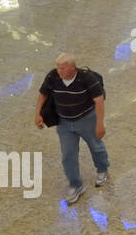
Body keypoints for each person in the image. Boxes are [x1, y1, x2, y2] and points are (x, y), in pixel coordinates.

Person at [35, 53, 108, 205]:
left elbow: (99, 101)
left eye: (62, 68)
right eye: (57, 67)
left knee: (96, 146)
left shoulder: (87, 79)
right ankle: (75, 184)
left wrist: (100, 124)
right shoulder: (53, 77)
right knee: (68, 154)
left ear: (72, 68)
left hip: (86, 119)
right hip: (64, 123)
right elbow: (42, 94)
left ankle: (102, 168)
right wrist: (38, 114)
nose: (59, 71)